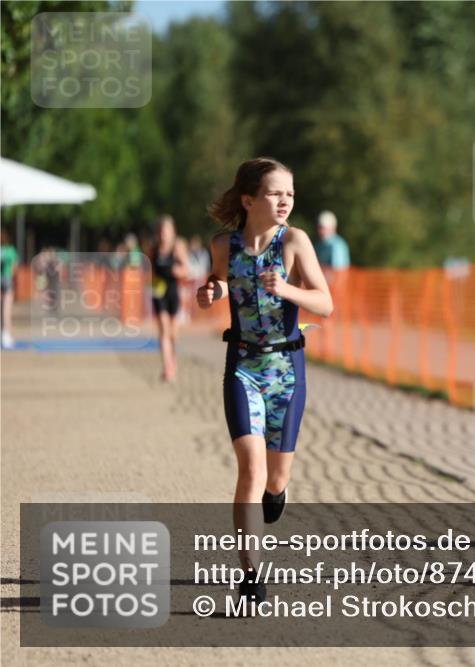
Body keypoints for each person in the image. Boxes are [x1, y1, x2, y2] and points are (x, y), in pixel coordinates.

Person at [197, 157, 332, 604]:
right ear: (249, 198)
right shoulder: (223, 245)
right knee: (250, 469)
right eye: (276, 193)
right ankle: (251, 577)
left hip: (286, 371)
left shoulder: (294, 242)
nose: (285, 201)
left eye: (290, 194)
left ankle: (280, 491)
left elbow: (325, 303)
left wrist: (286, 290)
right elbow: (216, 281)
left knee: (275, 478)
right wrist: (210, 290)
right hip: (242, 365)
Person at [148, 215, 189, 382]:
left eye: (166, 231)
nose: (163, 234)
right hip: (158, 292)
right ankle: (167, 367)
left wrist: (178, 271)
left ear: (172, 232)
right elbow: (150, 269)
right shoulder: (153, 248)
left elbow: (186, 269)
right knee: (163, 331)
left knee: (172, 333)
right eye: (161, 231)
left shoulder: (177, 247)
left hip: (173, 291)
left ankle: (173, 360)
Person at [0, 228, 18, 349]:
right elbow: (14, 266)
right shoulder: (10, 250)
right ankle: (6, 336)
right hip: (7, 279)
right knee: (7, 310)